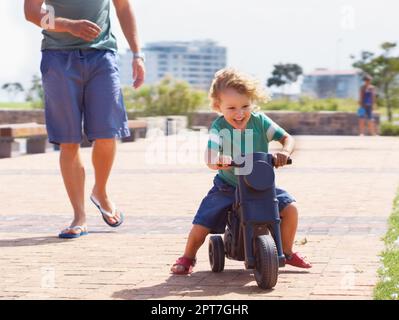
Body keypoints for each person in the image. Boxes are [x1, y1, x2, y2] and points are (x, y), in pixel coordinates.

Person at [171, 69, 312, 274]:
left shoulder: (260, 122)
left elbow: (287, 138)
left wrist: (283, 151)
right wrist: (219, 161)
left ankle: (287, 251)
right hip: (228, 186)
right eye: (232, 108)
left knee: (290, 208)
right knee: (203, 221)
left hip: (260, 185)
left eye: (245, 106)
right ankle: (188, 257)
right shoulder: (219, 128)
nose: (240, 113)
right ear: (218, 106)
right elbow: (209, 156)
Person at [24, 0, 145, 238]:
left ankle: (100, 191)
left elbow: (123, 7)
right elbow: (31, 12)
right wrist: (68, 25)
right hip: (57, 58)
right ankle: (79, 216)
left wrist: (137, 54)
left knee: (108, 132)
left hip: (102, 56)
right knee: (68, 141)